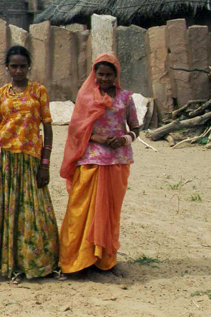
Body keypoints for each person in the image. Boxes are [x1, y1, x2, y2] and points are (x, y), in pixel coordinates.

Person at [0, 45, 62, 284]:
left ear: (29, 67)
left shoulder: (38, 91)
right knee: (6, 212)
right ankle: (9, 264)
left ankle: (37, 263)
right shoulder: (0, 94)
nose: (18, 70)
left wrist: (45, 164)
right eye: (14, 66)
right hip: (4, 159)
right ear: (7, 67)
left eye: (23, 66)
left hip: (30, 159)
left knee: (34, 213)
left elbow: (47, 127)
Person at [59, 54, 140, 274]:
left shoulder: (125, 98)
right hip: (90, 158)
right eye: (100, 74)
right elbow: (76, 128)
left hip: (117, 160)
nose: (104, 79)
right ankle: (78, 259)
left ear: (116, 75)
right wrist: (98, 138)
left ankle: (104, 260)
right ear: (94, 74)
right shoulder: (86, 97)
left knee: (110, 212)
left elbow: (135, 128)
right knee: (81, 209)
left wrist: (124, 139)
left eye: (109, 74)